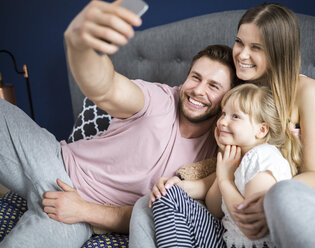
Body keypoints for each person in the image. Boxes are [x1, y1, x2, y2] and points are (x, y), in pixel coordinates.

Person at [0, 1, 238, 248]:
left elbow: (147, 212)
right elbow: (105, 88)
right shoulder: (159, 99)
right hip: (53, 161)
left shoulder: (217, 154)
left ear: (229, 99)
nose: (198, 91)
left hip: (76, 217)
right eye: (195, 77)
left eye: (213, 86)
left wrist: (83, 211)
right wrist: (83, 48)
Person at [130, 3, 315, 248]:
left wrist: (266, 200)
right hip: (247, 212)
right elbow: (232, 170)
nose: (242, 55)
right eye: (239, 42)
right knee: (148, 203)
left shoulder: (305, 90)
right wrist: (182, 187)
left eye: (256, 47)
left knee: (282, 194)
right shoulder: (234, 99)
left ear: (279, 52)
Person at [152, 83, 300, 248]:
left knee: (167, 197)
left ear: (261, 130)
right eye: (223, 114)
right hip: (229, 241)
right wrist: (221, 172)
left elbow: (251, 226)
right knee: (166, 194)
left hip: (252, 244)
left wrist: (224, 180)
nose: (222, 122)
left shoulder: (261, 157)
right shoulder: (238, 159)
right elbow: (215, 209)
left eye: (235, 116)